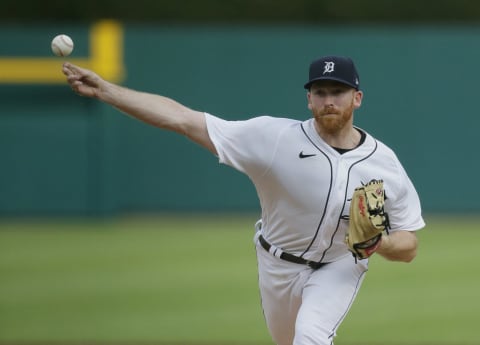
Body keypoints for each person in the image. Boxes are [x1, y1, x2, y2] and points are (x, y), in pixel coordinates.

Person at [62, 55, 425, 345]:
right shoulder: (274, 138)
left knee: (311, 337)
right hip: (277, 264)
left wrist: (380, 243)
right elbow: (184, 120)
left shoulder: (384, 163)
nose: (329, 100)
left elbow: (409, 244)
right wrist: (108, 91)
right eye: (321, 92)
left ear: (357, 98)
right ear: (309, 98)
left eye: (339, 92)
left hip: (339, 265)